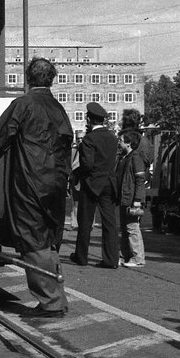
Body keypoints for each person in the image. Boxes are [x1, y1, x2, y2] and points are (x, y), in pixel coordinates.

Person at [0, 57, 73, 319]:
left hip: (30, 181)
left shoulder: (23, 105)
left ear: (28, 77)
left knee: (33, 238)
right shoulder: (59, 109)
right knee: (49, 240)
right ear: (52, 79)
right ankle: (56, 297)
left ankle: (51, 302)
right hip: (56, 182)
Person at [71, 102, 120, 269]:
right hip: (109, 182)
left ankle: (81, 256)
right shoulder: (113, 138)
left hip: (92, 183)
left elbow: (87, 164)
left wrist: (77, 175)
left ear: (89, 119)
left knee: (85, 221)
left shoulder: (90, 139)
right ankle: (111, 259)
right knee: (109, 222)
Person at [117, 130, 148, 268]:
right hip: (125, 197)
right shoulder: (125, 157)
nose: (119, 142)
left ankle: (138, 258)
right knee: (125, 228)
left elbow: (140, 180)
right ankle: (127, 256)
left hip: (131, 198)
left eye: (121, 140)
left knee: (132, 227)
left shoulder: (136, 158)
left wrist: (137, 200)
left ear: (129, 143)